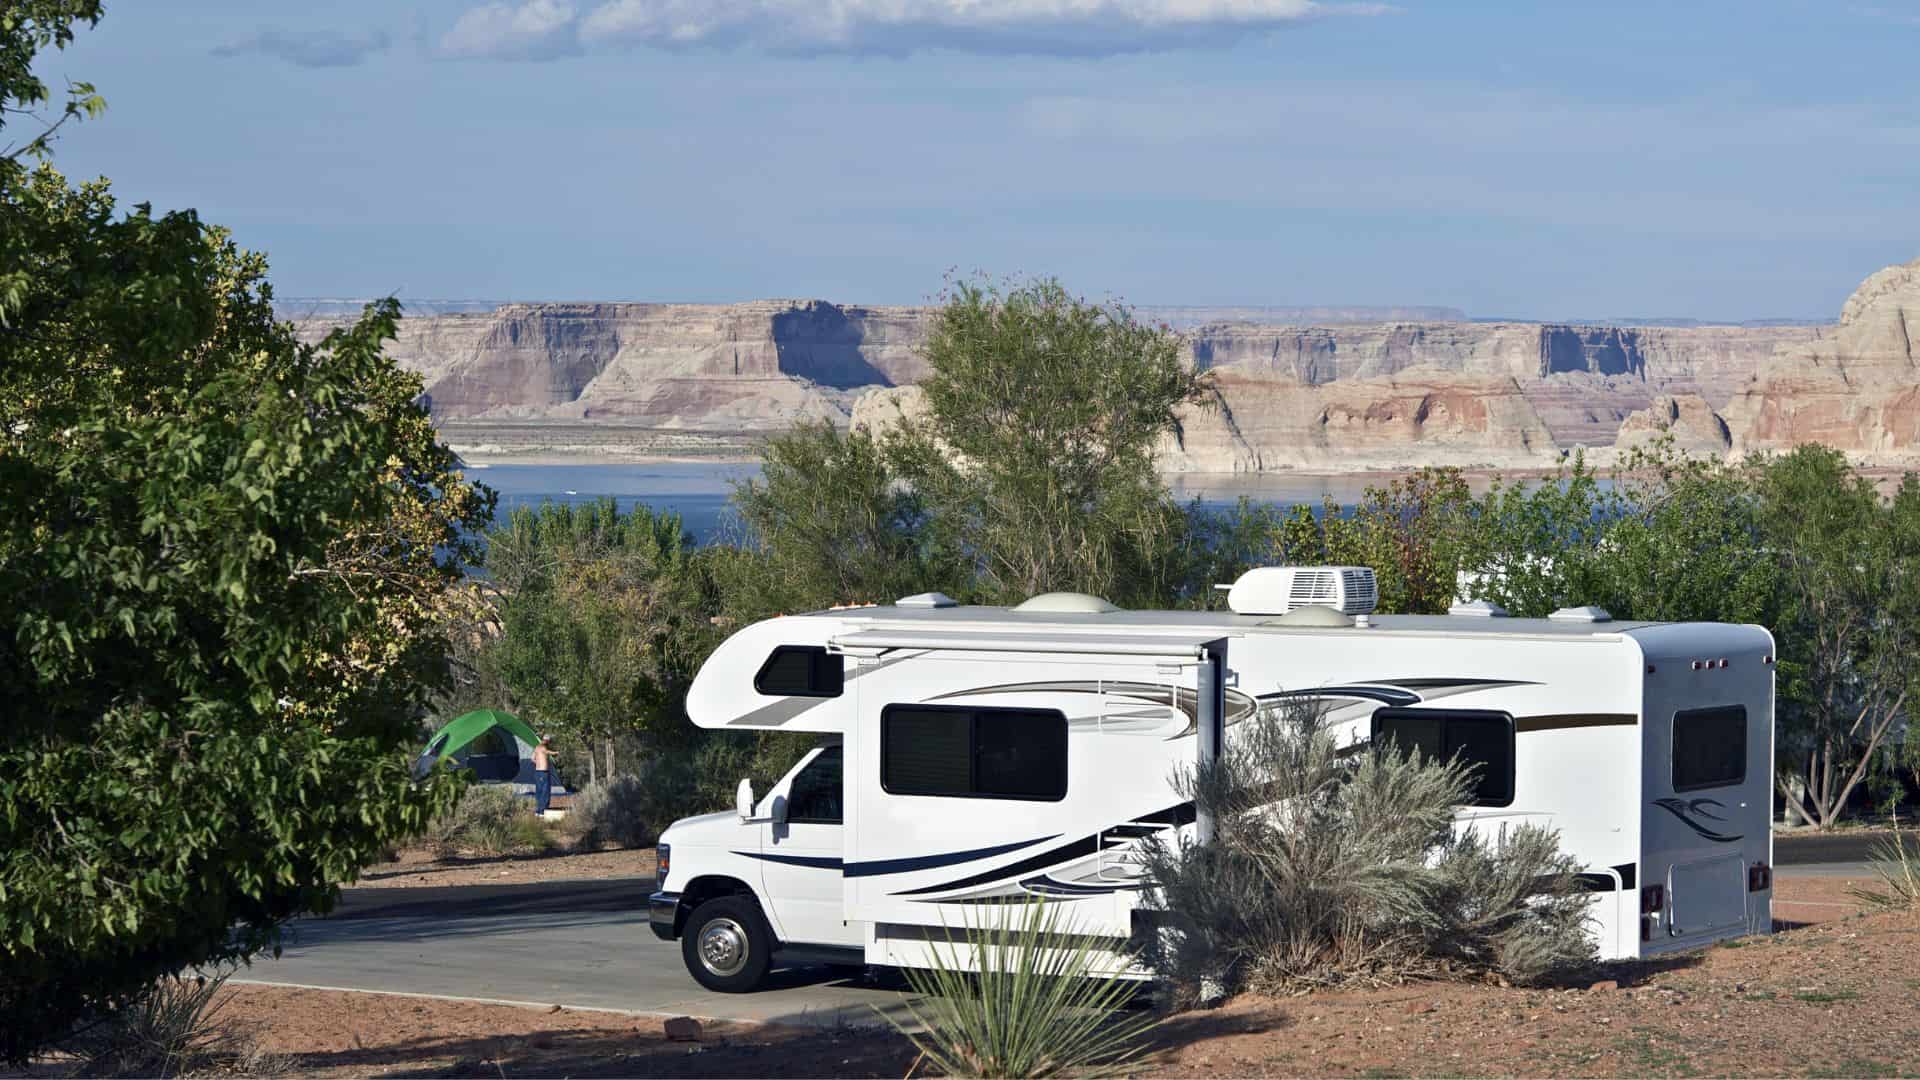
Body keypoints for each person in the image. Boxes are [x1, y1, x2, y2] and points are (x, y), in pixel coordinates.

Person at [532, 734, 553, 816]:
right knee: (545, 790)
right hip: (543, 772)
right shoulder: (543, 747)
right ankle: (542, 811)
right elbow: (548, 752)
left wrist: (538, 763)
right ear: (547, 740)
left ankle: (538, 810)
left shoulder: (537, 747)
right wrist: (556, 752)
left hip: (537, 772)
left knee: (539, 791)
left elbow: (532, 758)